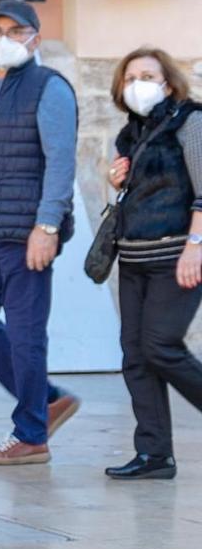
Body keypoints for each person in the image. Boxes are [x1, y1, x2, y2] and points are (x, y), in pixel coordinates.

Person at [0, 0, 80, 467]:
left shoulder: (49, 88)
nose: (2, 38)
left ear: (35, 38)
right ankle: (45, 399)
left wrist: (47, 226)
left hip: (25, 233)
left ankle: (31, 434)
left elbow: (61, 162)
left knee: (26, 335)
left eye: (14, 30)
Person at [102, 47, 202, 480]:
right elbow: (130, 202)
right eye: (129, 78)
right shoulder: (130, 133)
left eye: (146, 75)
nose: (137, 84)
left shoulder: (191, 122)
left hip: (176, 254)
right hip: (134, 256)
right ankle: (154, 454)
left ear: (167, 83)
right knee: (136, 355)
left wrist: (196, 245)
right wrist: (115, 184)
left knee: (161, 345)